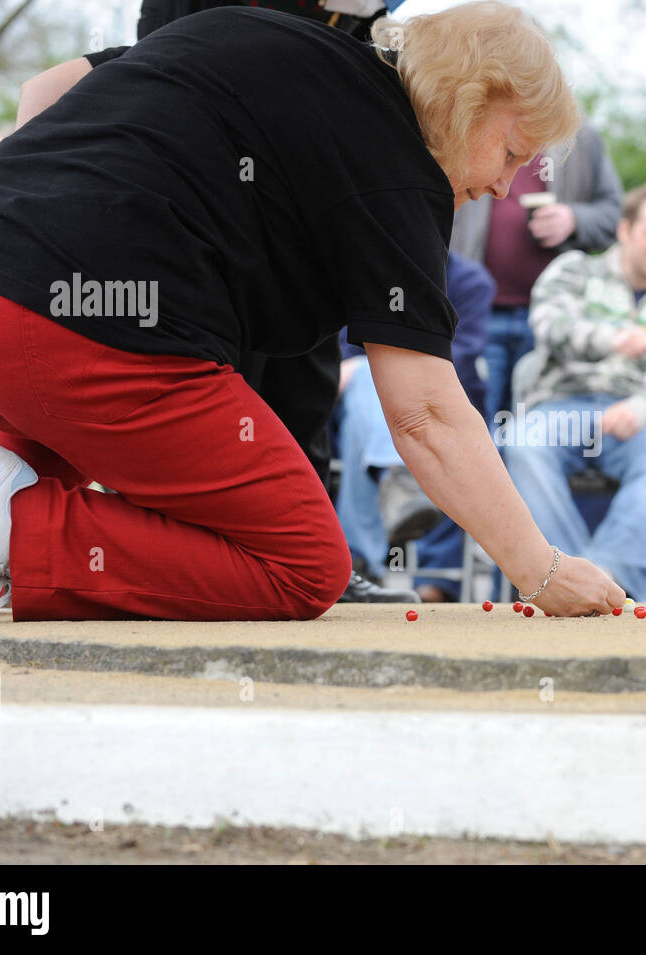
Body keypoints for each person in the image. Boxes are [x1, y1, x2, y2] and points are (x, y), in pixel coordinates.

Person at [0, 1, 624, 659]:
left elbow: (47, 89)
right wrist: (541, 568)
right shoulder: (402, 162)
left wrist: (36, 223)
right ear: (473, 97)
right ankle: (14, 544)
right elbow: (426, 413)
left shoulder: (259, 33)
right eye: (511, 153)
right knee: (306, 561)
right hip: (57, 335)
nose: (505, 186)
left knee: (80, 397)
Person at [23, 0, 414, 602]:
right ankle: (70, 541)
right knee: (203, 322)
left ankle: (299, 542)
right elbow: (46, 91)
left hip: (326, 47)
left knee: (303, 331)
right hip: (208, 31)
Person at [503, 180, 646, 601]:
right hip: (562, 406)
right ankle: (564, 577)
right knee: (523, 438)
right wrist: (610, 339)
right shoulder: (574, 269)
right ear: (625, 230)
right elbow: (548, 325)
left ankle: (612, 578)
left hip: (634, 419)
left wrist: (644, 407)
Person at [335, 251, 493, 601]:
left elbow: (462, 359)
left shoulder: (470, 282)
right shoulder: (367, 270)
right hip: (371, 402)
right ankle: (401, 476)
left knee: (369, 416)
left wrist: (399, 374)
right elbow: (344, 349)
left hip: (443, 403)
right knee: (362, 386)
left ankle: (358, 561)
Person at [449, 122, 622, 426]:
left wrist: (574, 219)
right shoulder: (472, 128)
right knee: (470, 416)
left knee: (530, 427)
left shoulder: (581, 139)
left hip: (550, 321)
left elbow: (615, 214)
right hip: (474, 315)